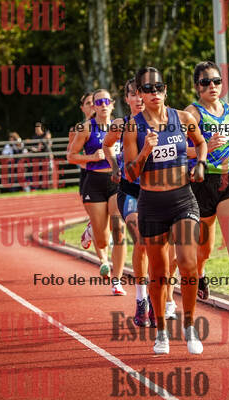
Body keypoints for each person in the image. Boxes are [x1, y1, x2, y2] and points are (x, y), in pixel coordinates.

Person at [123, 66, 207, 354]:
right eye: (148, 89)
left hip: (183, 199)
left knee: (188, 262)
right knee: (158, 274)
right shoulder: (133, 127)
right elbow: (130, 174)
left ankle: (189, 326)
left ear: (165, 90)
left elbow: (201, 143)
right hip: (152, 204)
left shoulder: (183, 118)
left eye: (158, 88)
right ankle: (160, 332)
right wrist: (145, 151)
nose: (154, 93)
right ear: (139, 94)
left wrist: (201, 164)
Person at [184, 61, 229, 330]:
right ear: (197, 87)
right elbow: (181, 149)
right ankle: (201, 273)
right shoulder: (191, 113)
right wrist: (204, 147)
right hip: (201, 183)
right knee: (203, 250)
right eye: (206, 82)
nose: (212, 86)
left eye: (216, 81)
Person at [103, 78, 158, 325]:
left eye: (141, 93)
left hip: (157, 192)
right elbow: (107, 145)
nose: (138, 98)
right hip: (131, 191)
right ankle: (141, 299)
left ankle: (159, 298)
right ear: (126, 99)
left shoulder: (162, 122)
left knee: (161, 248)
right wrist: (115, 167)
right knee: (142, 241)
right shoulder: (121, 124)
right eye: (133, 94)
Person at [68, 89, 127, 296]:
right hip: (94, 183)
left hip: (116, 182)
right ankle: (93, 230)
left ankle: (117, 281)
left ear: (112, 104)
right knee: (102, 240)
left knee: (119, 231)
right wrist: (92, 157)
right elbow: (71, 156)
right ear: (93, 106)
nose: (103, 105)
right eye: (98, 102)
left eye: (106, 101)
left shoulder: (121, 125)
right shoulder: (86, 128)